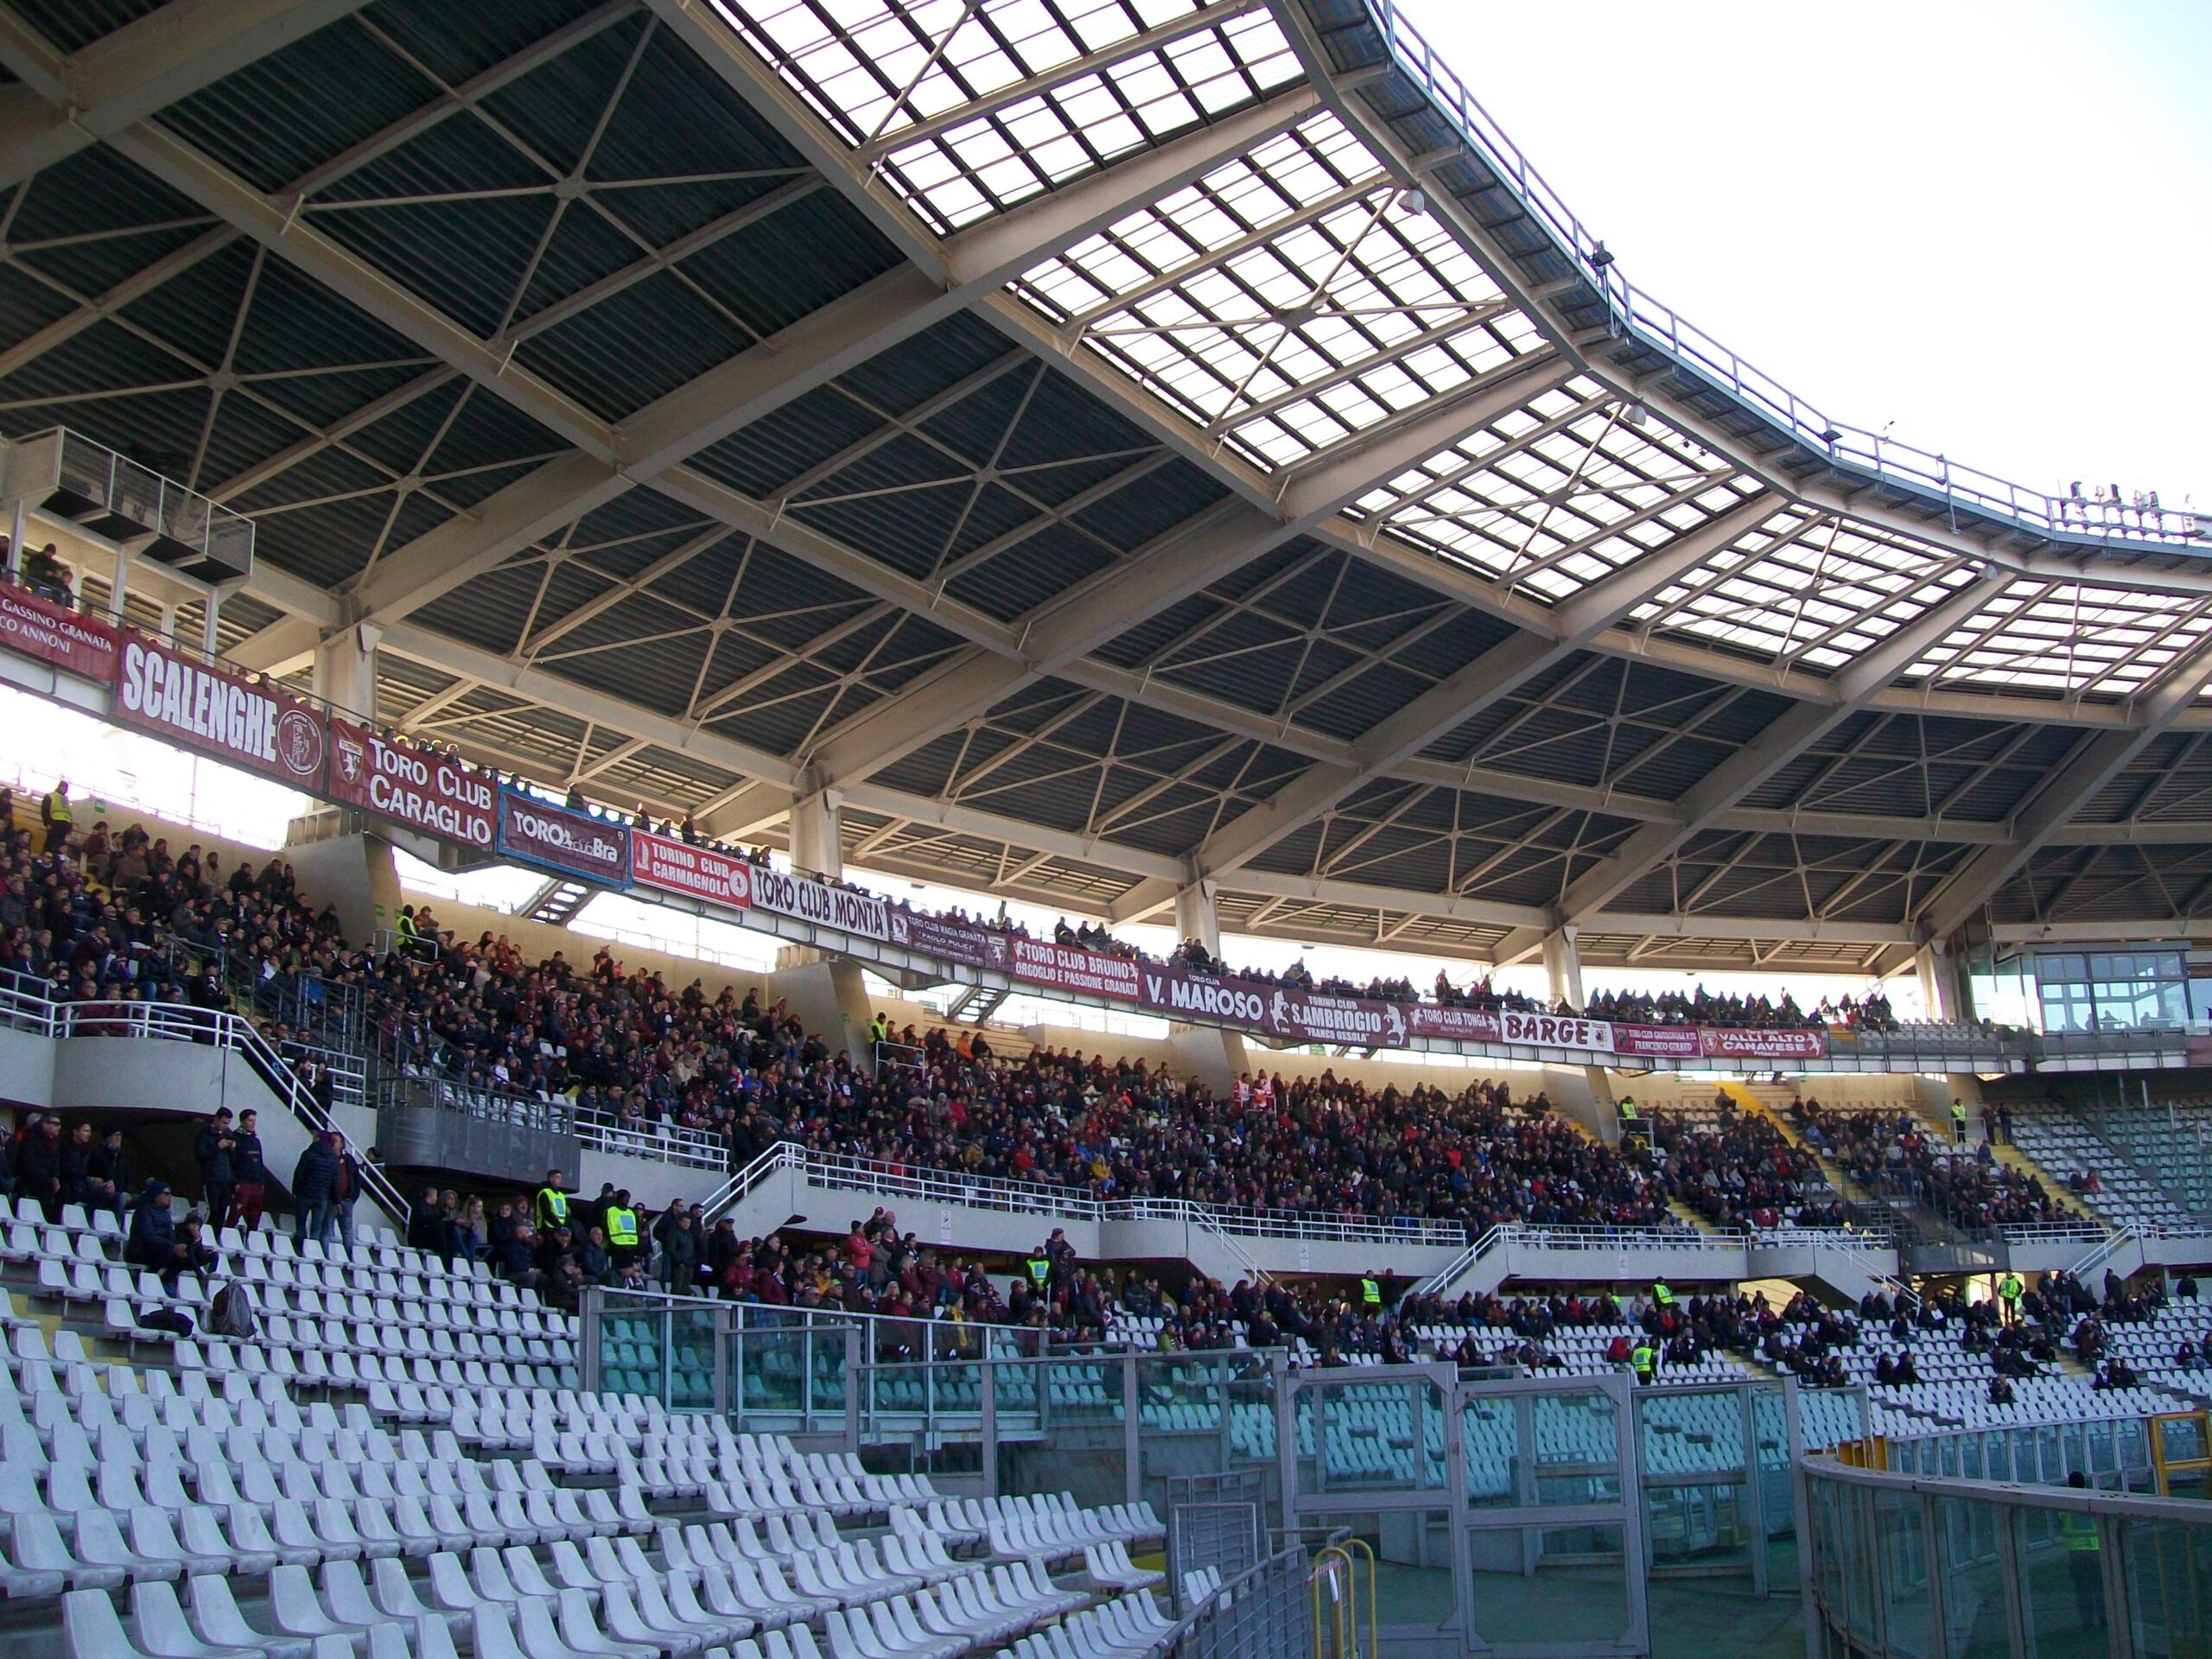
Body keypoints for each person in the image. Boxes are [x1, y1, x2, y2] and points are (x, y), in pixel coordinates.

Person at [2060, 1471, 2102, 1624]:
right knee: (2099, 1586)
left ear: (2069, 1484)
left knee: (2082, 1588)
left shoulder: (2064, 1502)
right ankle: (2103, 1617)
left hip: (2076, 1552)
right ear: (2084, 1483)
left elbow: (2060, 1520)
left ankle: (2086, 1619)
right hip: (2095, 1549)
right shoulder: (2094, 1498)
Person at [290, 1130, 340, 1248]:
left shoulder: (308, 1154)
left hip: (305, 1194)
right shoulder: (333, 1158)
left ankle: (301, 1248)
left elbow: (299, 1174)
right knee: (316, 1228)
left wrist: (295, 1191)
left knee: (301, 1225)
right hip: (322, 1197)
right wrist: (337, 1200)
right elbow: (335, 1181)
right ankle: (312, 1251)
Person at [195, 1108, 238, 1236]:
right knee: (212, 1211)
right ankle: (204, 1237)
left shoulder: (228, 1135)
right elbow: (200, 1155)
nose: (226, 1126)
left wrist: (232, 1150)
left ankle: (216, 1237)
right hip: (211, 1179)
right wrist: (217, 1147)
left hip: (225, 1180)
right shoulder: (204, 1134)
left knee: (221, 1213)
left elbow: (234, 1162)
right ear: (216, 1119)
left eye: (228, 1124)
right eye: (224, 1123)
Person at [226, 1108, 267, 1234]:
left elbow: (260, 1163)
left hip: (256, 1185)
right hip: (242, 1183)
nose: (253, 1123)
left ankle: (250, 1241)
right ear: (242, 1121)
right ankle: (226, 1237)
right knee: (235, 1215)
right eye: (250, 1120)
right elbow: (230, 1163)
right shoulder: (234, 1139)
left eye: (254, 1121)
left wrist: (262, 1182)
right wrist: (236, 1183)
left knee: (255, 1217)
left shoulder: (256, 1141)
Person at [532, 1169, 569, 1236]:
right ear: (551, 1179)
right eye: (557, 1177)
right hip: (547, 1227)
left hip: (559, 1228)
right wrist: (559, 1225)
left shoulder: (561, 1195)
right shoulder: (544, 1193)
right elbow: (546, 1212)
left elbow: (564, 1212)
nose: (560, 1180)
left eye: (560, 1178)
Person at [39, 778, 70, 855]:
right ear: (60, 786)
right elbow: (45, 810)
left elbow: (67, 813)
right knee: (50, 844)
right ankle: (45, 858)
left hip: (63, 827)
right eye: (64, 787)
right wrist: (47, 823)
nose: (65, 790)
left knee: (60, 847)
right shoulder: (50, 796)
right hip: (54, 824)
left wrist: (69, 827)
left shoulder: (65, 799)